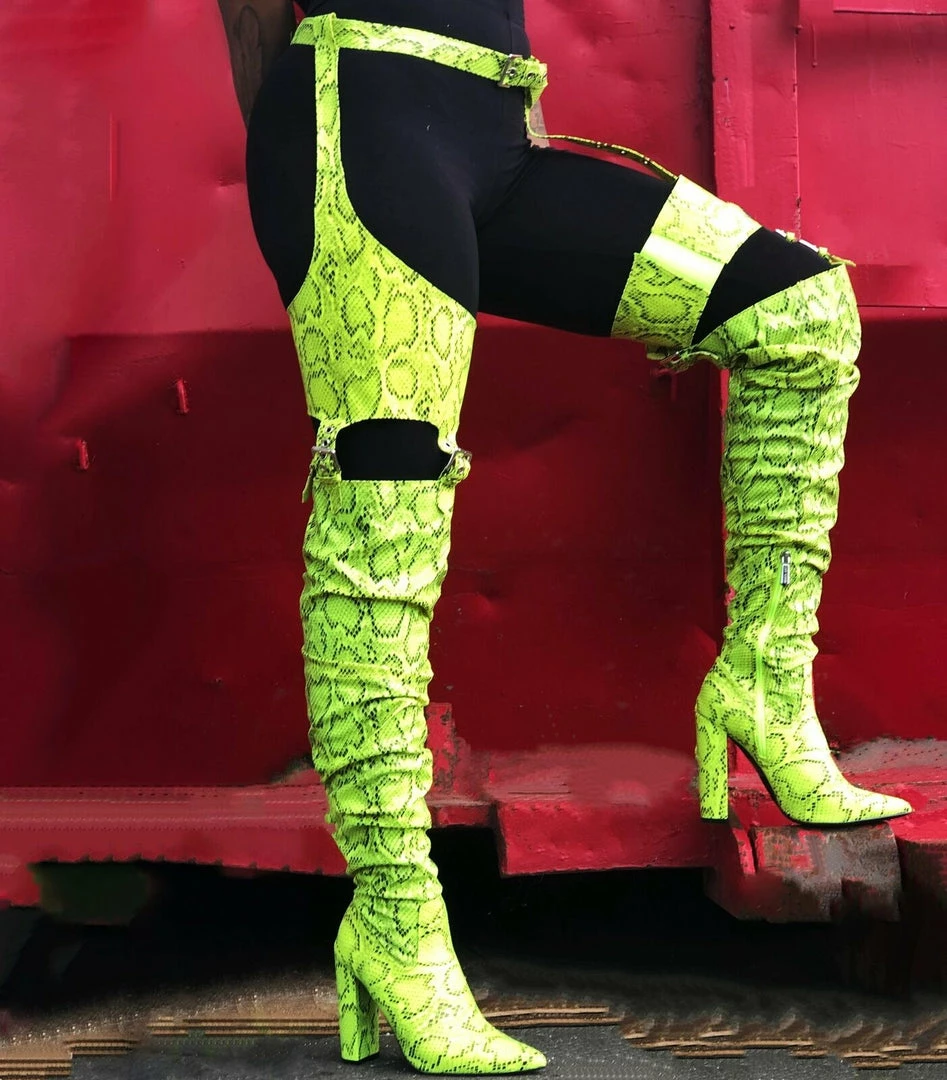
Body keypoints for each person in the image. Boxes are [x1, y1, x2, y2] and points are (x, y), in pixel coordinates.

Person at [215, 0, 913, 1072]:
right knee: (386, 507)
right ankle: (394, 922)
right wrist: (300, 164)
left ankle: (763, 687)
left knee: (796, 309)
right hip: (361, 122)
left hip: (496, 133)